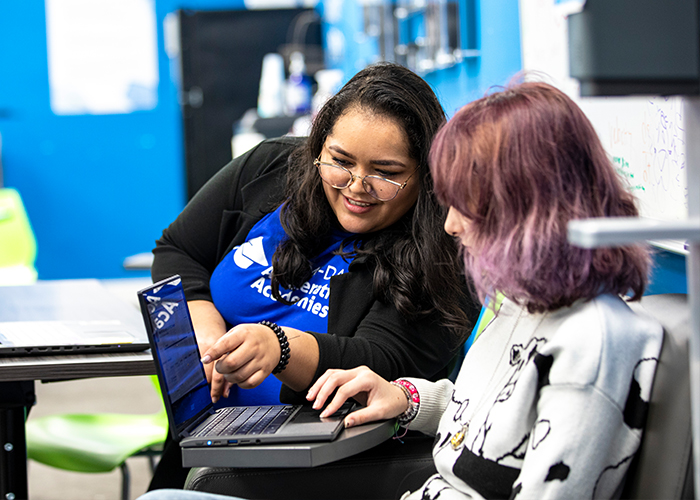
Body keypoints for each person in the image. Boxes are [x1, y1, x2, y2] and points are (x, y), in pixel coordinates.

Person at [306, 81, 664, 499]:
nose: (450, 225)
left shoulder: (593, 342)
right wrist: (407, 399)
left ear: (529, 209)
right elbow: (493, 421)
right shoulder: (523, 303)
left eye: (466, 206)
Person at [147, 62, 481, 492]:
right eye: (340, 162)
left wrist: (280, 346)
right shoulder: (270, 168)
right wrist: (204, 323)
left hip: (327, 467)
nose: (358, 186)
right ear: (319, 147)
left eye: (387, 173)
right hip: (206, 437)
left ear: (426, 173)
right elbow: (179, 249)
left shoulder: (445, 250)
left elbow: (381, 365)